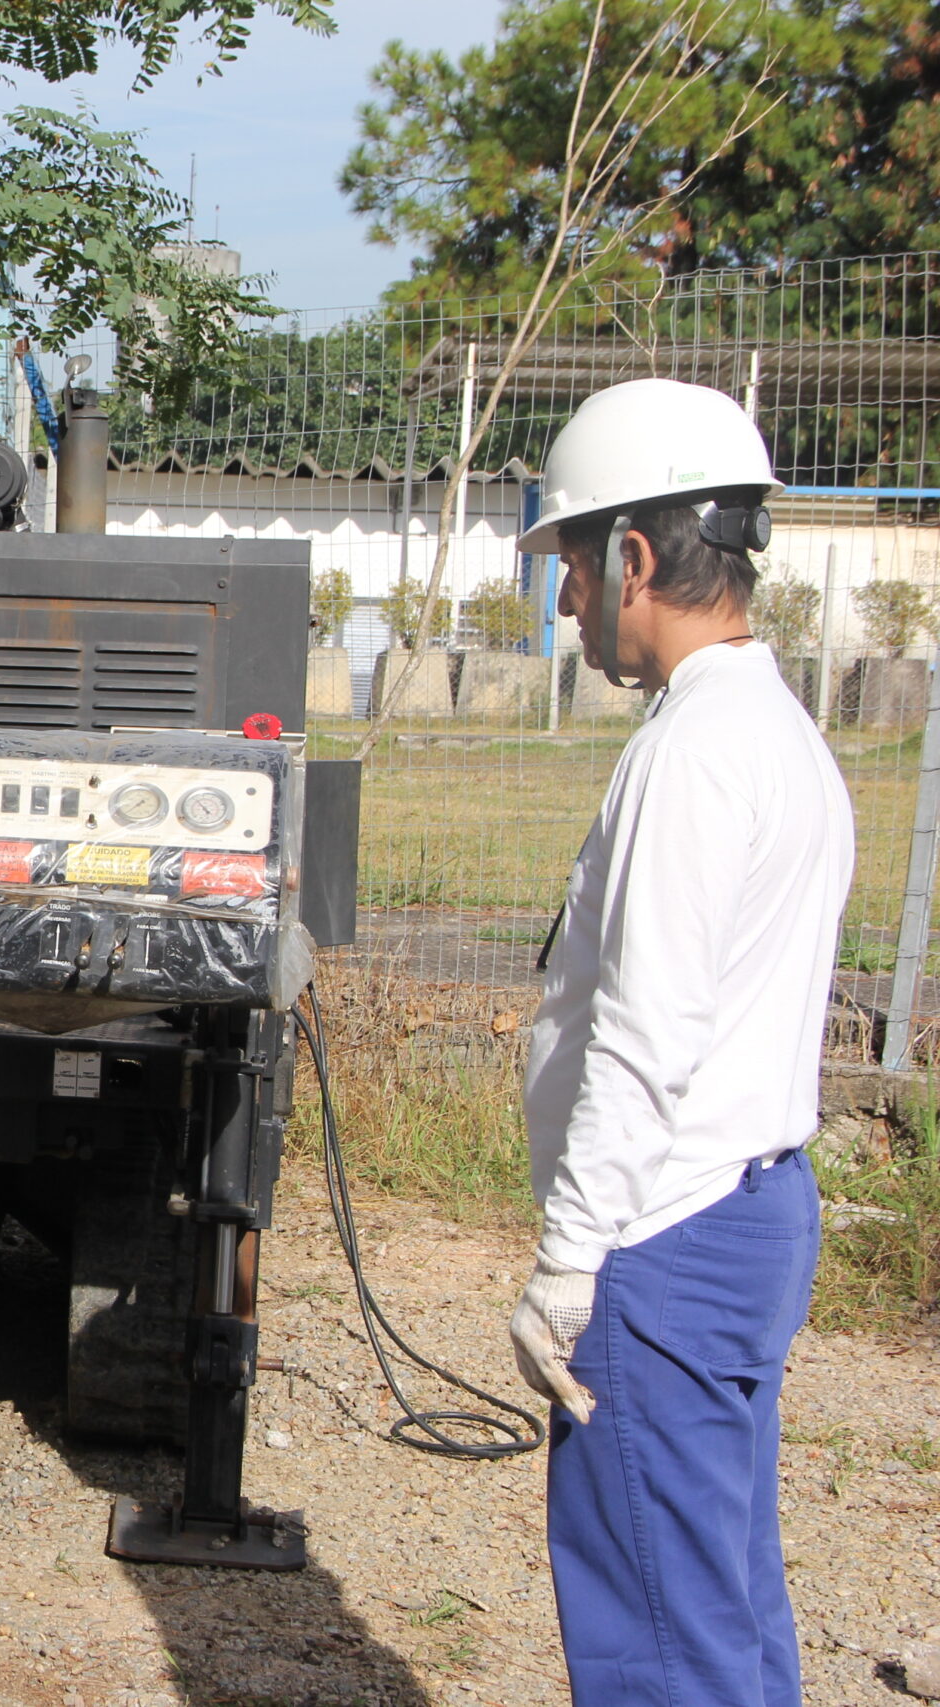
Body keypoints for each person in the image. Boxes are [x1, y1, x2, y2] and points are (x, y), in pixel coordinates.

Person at [511, 377, 853, 1706]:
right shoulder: (780, 732)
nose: (568, 606)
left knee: (661, 1635)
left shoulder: (693, 751)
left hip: (664, 1230)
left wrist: (568, 1260)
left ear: (637, 557)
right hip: (748, 1210)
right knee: (724, 1604)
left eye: (577, 573)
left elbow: (646, 1036)